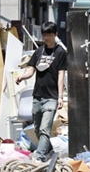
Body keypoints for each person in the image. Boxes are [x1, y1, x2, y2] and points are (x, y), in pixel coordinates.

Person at [15, 22, 67, 162]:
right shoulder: (38, 52)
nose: (46, 38)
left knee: (45, 129)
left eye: (49, 35)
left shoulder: (60, 53)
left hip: (52, 97)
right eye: (45, 35)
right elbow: (31, 69)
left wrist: (60, 97)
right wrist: (22, 76)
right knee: (37, 129)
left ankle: (40, 157)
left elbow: (61, 75)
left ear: (55, 35)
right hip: (38, 96)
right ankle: (49, 149)